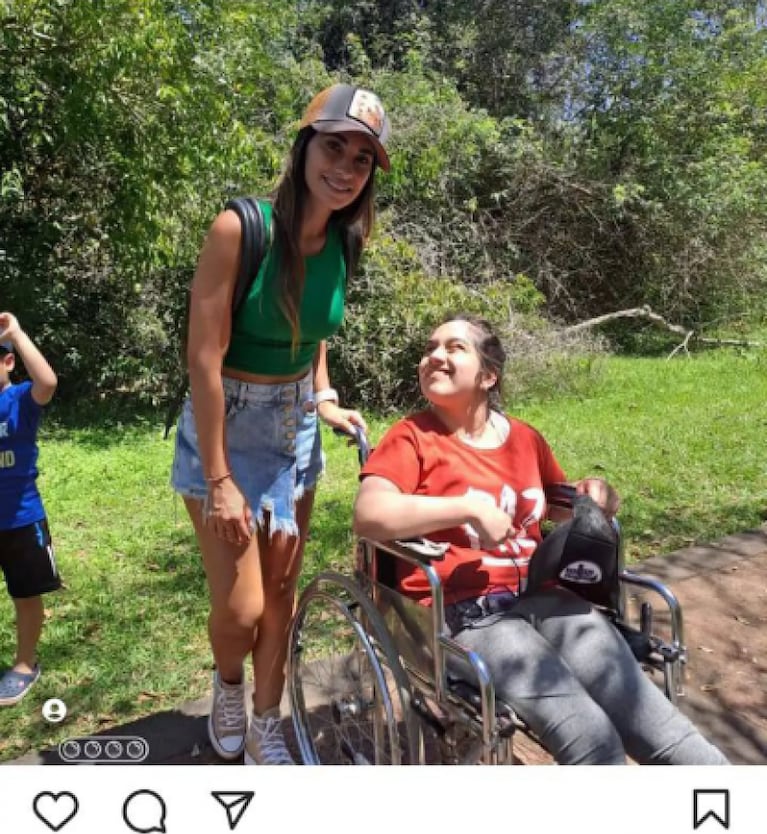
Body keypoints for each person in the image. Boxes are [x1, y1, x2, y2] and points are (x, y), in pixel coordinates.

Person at [353, 315, 728, 765]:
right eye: (431, 347)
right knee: (592, 740)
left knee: (664, 732)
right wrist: (467, 508)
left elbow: (559, 503)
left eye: (454, 348)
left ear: (488, 375)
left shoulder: (525, 440)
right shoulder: (411, 438)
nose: (434, 356)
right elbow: (369, 514)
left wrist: (597, 496)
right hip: (466, 617)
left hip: (546, 599)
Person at [172, 84, 391, 764]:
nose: (346, 168)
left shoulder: (345, 240)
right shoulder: (240, 227)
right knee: (239, 608)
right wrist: (220, 477)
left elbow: (311, 330)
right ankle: (229, 684)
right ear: (303, 146)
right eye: (334, 146)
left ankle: (268, 716)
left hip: (294, 425)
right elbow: (203, 360)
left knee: (281, 597)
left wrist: (321, 393)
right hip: (225, 425)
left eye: (362, 159)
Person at [0, 312, 60, 706]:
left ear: (7, 361)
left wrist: (16, 334)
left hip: (21, 519)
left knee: (25, 595)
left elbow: (48, 382)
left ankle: (25, 663)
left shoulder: (19, 399)